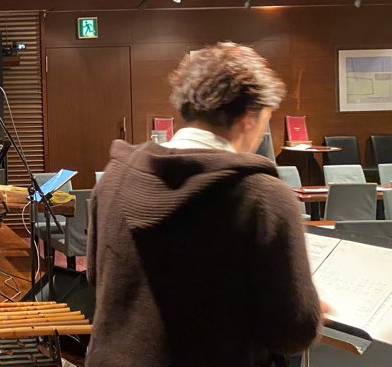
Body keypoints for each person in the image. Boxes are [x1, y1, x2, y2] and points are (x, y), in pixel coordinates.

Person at [87, 42, 324, 367]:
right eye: (265, 120)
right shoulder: (262, 196)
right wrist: (313, 308)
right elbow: (291, 331)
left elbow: (97, 277)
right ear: (249, 117)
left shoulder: (114, 178)